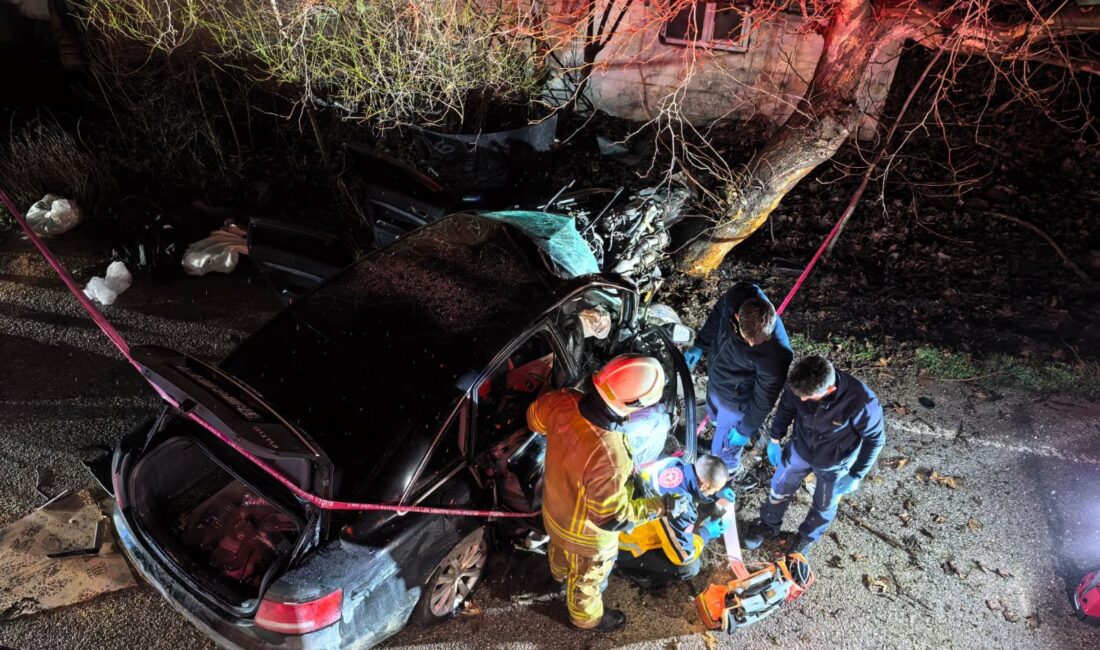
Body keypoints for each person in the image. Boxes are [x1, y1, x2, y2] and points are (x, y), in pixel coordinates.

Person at [527, 354, 685, 632]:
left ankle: (558, 577)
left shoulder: (561, 401)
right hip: (587, 539)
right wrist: (660, 506)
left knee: (559, 554)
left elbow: (534, 420)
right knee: (587, 582)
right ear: (633, 403)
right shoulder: (610, 455)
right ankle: (586, 620)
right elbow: (612, 517)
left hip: (553, 513)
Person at [743, 355, 885, 556]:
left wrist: (856, 474)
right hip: (800, 449)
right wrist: (775, 439)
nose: (802, 400)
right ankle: (768, 524)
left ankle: (806, 538)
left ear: (829, 390)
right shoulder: (798, 383)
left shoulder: (862, 403)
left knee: (824, 505)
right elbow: (786, 408)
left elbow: (875, 440)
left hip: (834, 463)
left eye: (808, 397)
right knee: (779, 487)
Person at [685, 282, 793, 473]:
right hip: (717, 380)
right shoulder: (738, 295)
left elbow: (764, 399)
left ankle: (727, 474)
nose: (753, 345)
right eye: (749, 339)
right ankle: (718, 434)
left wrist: (745, 429)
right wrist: (701, 343)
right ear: (736, 317)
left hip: (737, 400)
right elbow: (718, 313)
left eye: (760, 341)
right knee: (714, 417)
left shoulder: (776, 356)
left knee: (726, 449)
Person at [616, 454, 732, 589]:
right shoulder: (678, 509)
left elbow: (694, 487)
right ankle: (632, 571)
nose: (713, 493)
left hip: (618, 518)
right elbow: (684, 556)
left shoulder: (672, 463)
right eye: (714, 490)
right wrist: (706, 532)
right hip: (623, 545)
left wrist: (717, 492)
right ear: (705, 485)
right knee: (691, 567)